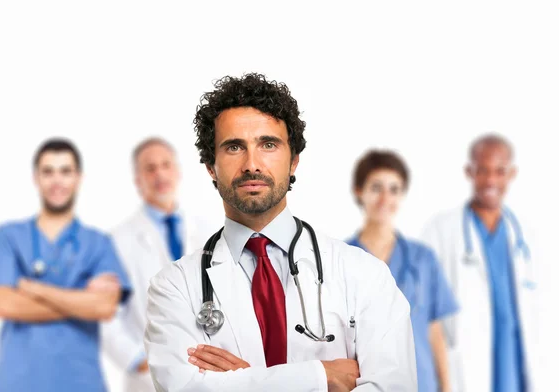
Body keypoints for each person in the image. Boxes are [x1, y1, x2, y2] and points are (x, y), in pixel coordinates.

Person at [143, 73, 418, 391]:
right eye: (234, 147)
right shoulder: (174, 287)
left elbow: (394, 387)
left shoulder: (365, 275)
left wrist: (243, 381)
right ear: (210, 167)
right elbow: (183, 388)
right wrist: (320, 377)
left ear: (294, 162)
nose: (251, 164)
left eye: (268, 145)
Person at [0, 138, 132, 392]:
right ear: (36, 178)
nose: (57, 181)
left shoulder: (98, 243)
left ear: (78, 178)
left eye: (65, 171)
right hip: (17, 382)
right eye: (48, 172)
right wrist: (83, 300)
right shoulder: (8, 237)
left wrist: (33, 288)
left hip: (81, 382)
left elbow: (104, 306)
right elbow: (6, 305)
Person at [421, 134, 539, 392]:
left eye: (499, 171)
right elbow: (426, 313)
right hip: (463, 370)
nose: (491, 180)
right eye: (482, 171)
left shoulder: (526, 235)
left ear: (512, 174)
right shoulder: (441, 231)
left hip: (517, 371)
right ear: (469, 171)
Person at [102, 137, 213, 392]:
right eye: (150, 168)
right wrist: (138, 361)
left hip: (207, 376)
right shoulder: (116, 242)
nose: (159, 173)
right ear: (137, 181)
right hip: (148, 381)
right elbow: (105, 317)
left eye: (165, 164)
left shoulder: (207, 231)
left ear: (178, 171)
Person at [345, 150, 458, 392]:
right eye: (376, 188)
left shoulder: (423, 259)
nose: (385, 198)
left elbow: (434, 332)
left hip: (421, 383)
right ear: (359, 191)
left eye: (394, 189)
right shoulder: (341, 259)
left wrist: (447, 387)